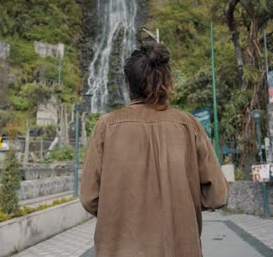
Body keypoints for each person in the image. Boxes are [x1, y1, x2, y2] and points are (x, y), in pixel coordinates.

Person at [80, 42, 229, 257]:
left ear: (128, 84)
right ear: (167, 80)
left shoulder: (106, 127)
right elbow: (217, 195)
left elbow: (89, 197)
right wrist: (181, 204)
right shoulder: (189, 125)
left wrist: (120, 210)